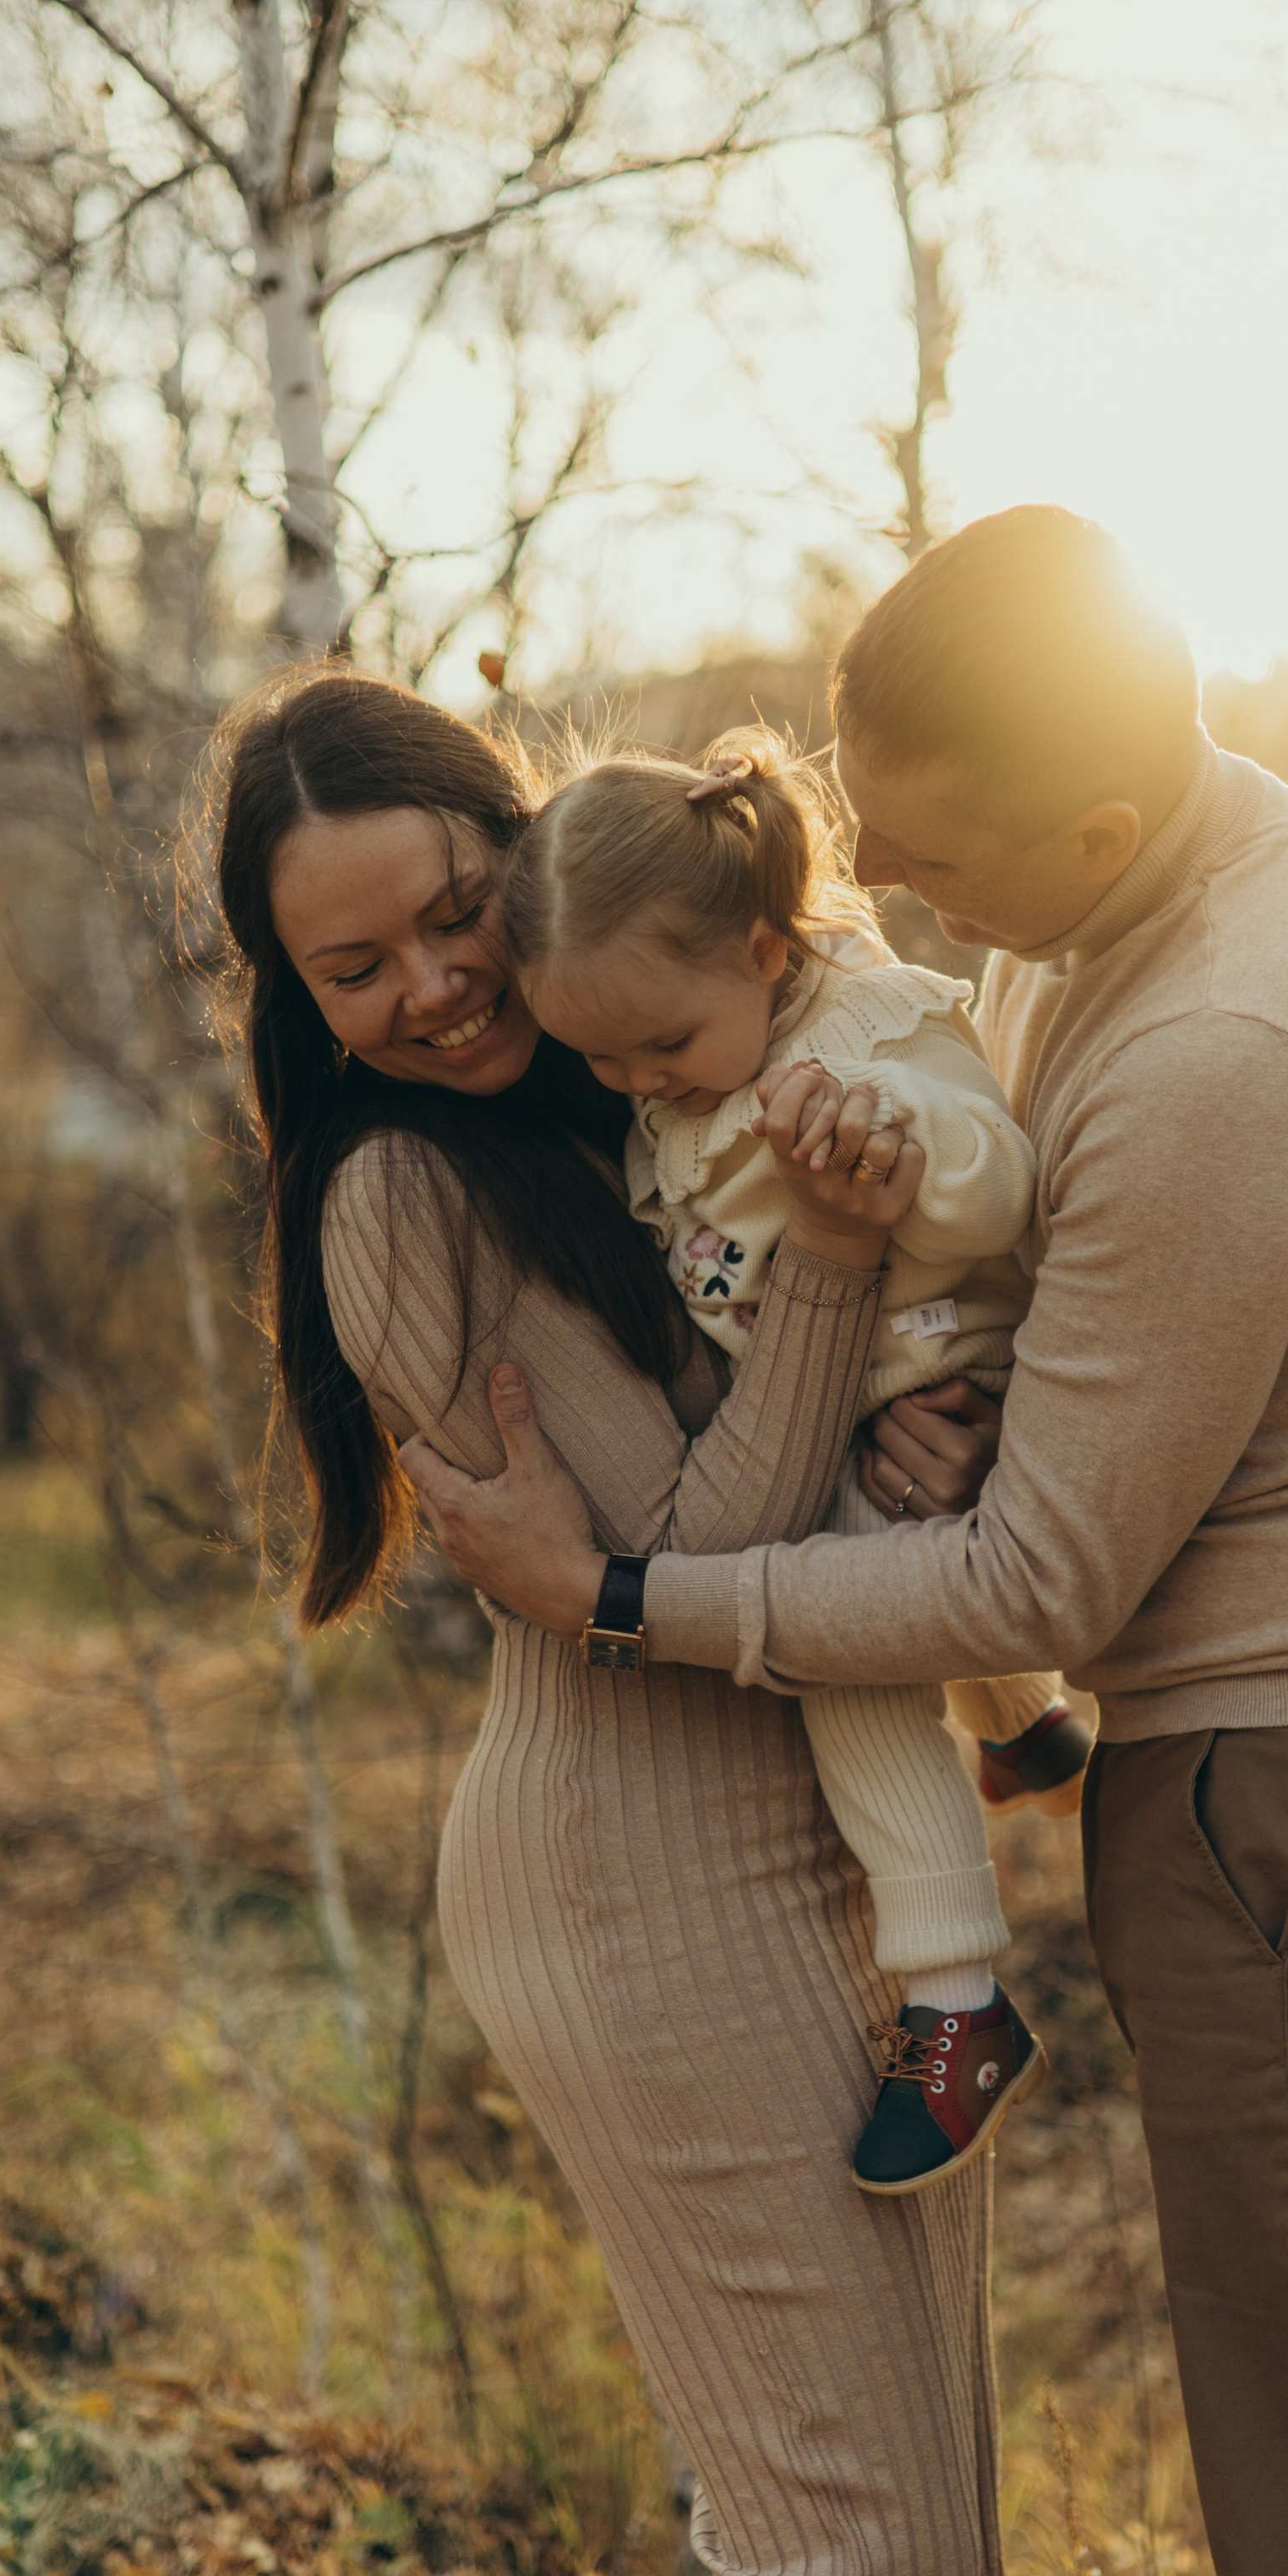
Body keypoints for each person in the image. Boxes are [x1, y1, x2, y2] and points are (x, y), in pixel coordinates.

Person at [403, 506, 1288, 2576]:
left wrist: (627, 1592)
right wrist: (977, 1381)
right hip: (1287, 1784)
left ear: (1096, 831)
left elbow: (1040, 1570)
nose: (887, 902)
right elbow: (1077, 1341)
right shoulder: (1151, 913)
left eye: (931, 859)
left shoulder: (1228, 1035)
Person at [210, 661, 1008, 2576]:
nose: (433, 987)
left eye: (455, 911)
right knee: (829, 2571)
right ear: (290, 994)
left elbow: (786, 1477)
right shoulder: (395, 1191)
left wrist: (899, 1405)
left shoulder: (644, 1077)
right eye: (350, 968)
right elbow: (703, 1554)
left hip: (808, 1829)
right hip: (635, 1876)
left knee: (923, 2559)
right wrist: (846, 1303)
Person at [501, 728, 1082, 2194]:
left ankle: (957, 1997)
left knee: (841, 1653)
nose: (643, 1083)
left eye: (662, 1047)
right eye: (603, 1060)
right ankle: (1026, 1727)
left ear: (763, 952)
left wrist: (898, 1164)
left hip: (944, 1369)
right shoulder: (685, 1067)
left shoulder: (864, 1036)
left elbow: (998, 1178)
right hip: (856, 1391)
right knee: (880, 1569)